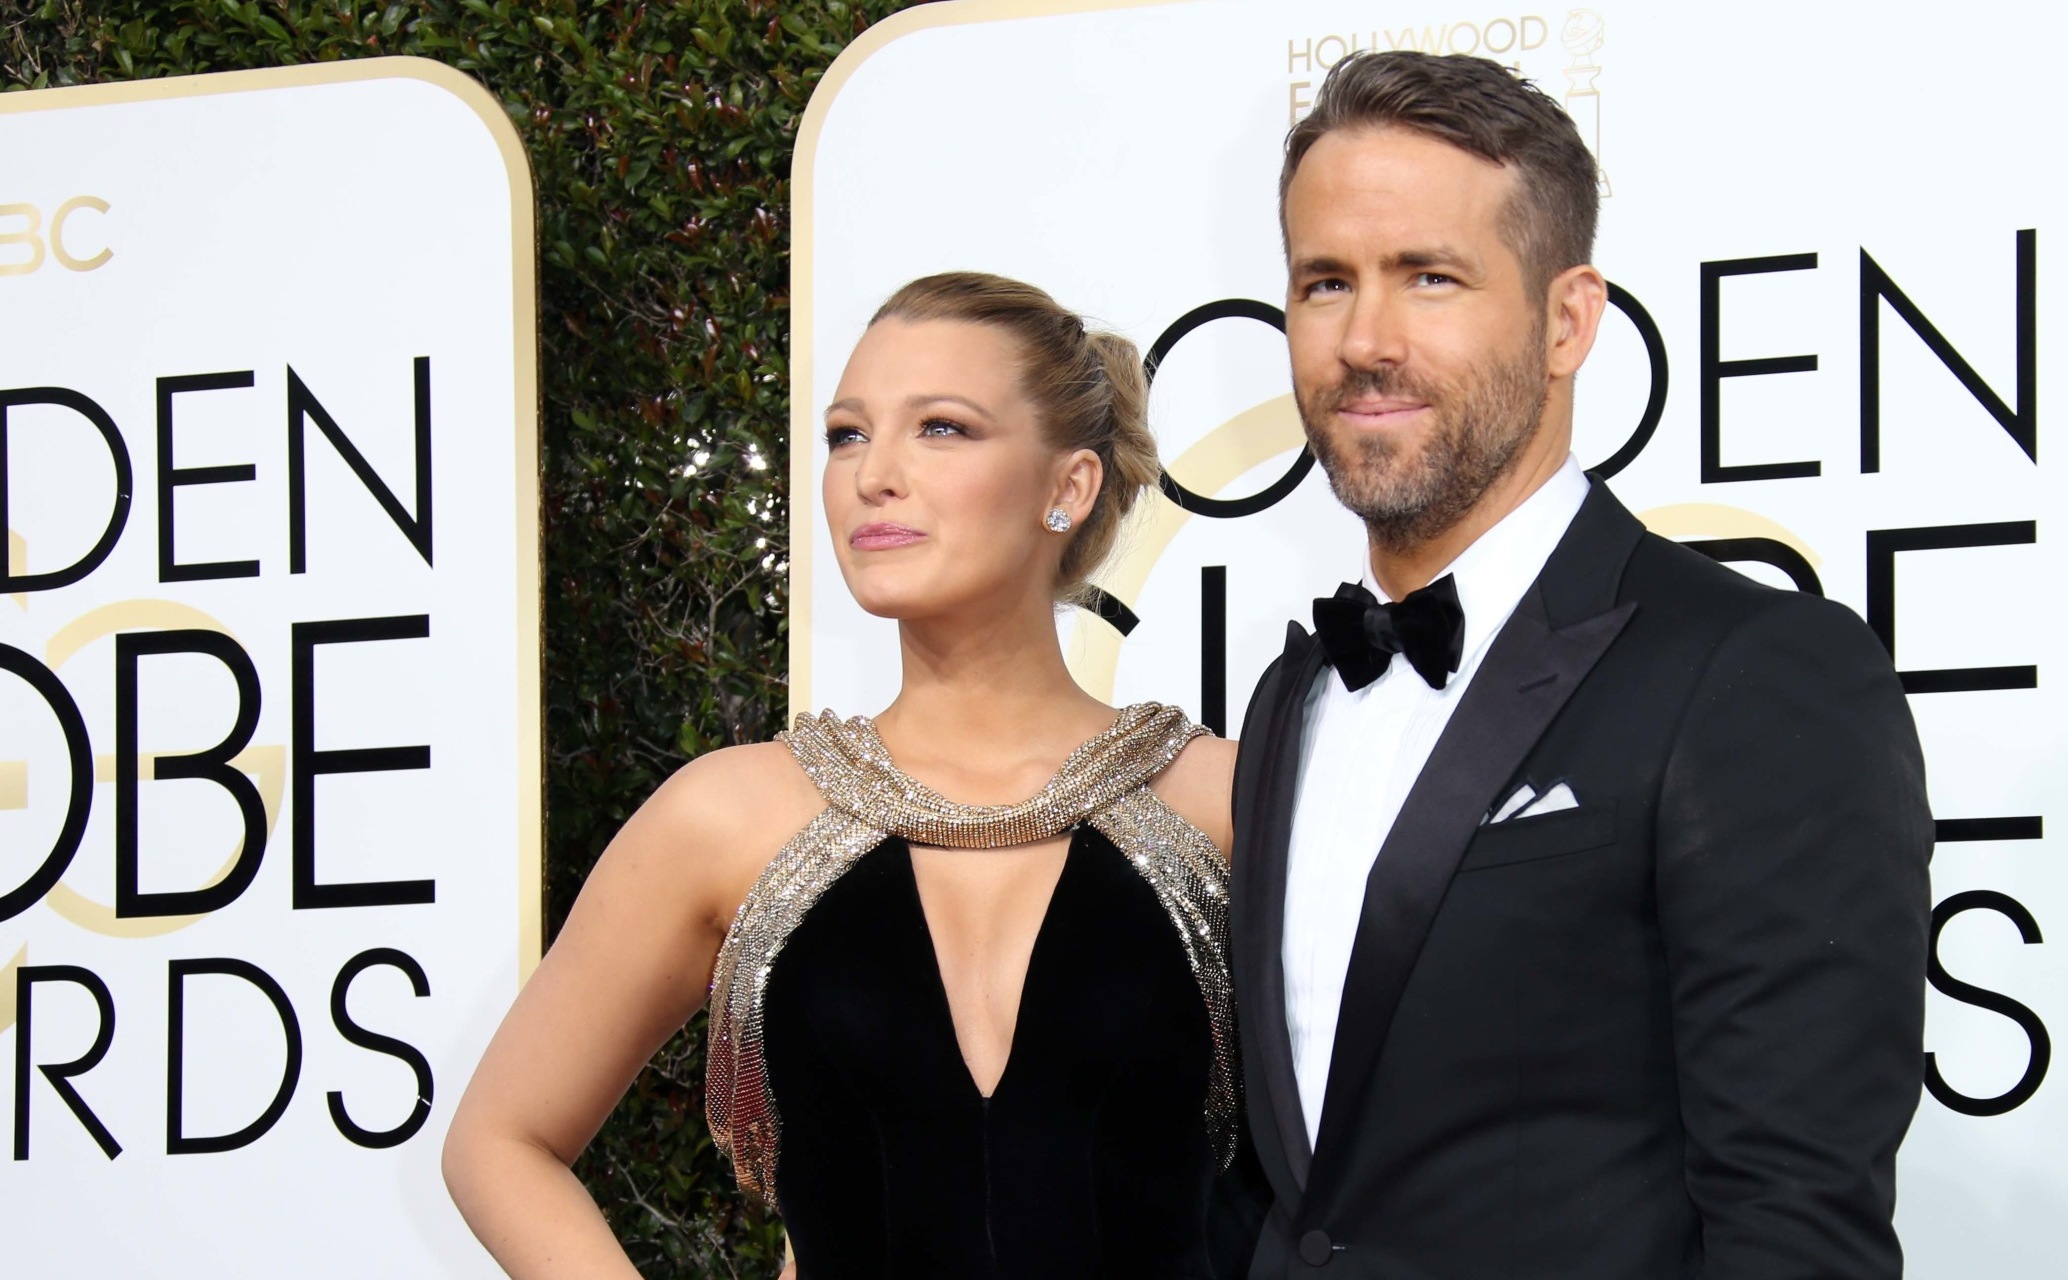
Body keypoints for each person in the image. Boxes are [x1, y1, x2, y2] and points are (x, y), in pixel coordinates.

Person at [1227, 52, 1935, 1278]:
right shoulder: (1293, 694)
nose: (1364, 341)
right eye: (1325, 282)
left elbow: (1795, 1219)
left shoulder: (1751, 671)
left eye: (1430, 277)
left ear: (1568, 321)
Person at [444, 272, 1244, 1279]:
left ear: (1069, 486)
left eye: (942, 428)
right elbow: (499, 1140)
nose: (874, 474)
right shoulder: (730, 818)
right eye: (847, 435)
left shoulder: (1222, 802)